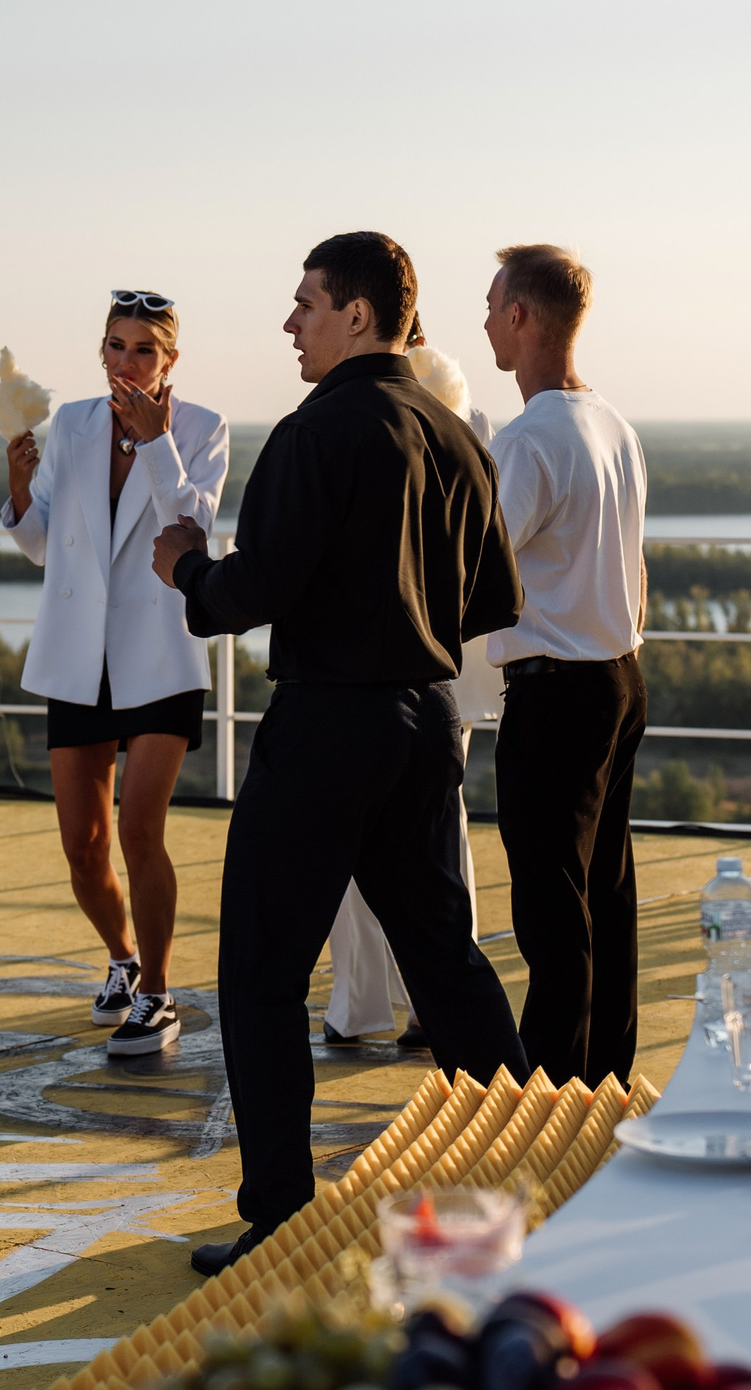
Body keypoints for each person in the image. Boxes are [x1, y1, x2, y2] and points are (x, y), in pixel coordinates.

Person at [153, 231, 530, 1274]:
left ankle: (282, 1219)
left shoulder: (317, 430)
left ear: (356, 314)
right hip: (421, 723)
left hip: (326, 727)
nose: (290, 325)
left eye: (305, 304)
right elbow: (496, 599)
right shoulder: (454, 435)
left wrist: (186, 567)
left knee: (263, 978)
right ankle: (537, 1179)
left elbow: (250, 592)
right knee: (446, 965)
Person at [3, 291, 229, 1056]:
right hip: (77, 654)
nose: (125, 363)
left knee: (140, 828)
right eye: (114, 346)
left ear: (169, 362)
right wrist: (16, 487)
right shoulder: (71, 423)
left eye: (142, 350)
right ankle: (122, 960)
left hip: (159, 652)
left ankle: (160, 992)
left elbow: (191, 528)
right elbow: (42, 544)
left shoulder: (202, 428)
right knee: (83, 842)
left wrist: (157, 441)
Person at [476, 245, 649, 1089]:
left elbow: (476, 569)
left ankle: (554, 1095)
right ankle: (607, 1082)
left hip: (556, 694)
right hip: (619, 679)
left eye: (491, 305)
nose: (483, 322)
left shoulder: (529, 439)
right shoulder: (614, 423)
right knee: (606, 897)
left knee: (554, 915)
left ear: (521, 317)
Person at [320, 326, 501, 1053]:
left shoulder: (463, 422)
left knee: (433, 828)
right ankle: (362, 999)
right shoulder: (355, 412)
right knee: (379, 834)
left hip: (428, 660)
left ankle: (424, 1000)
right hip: (378, 655)